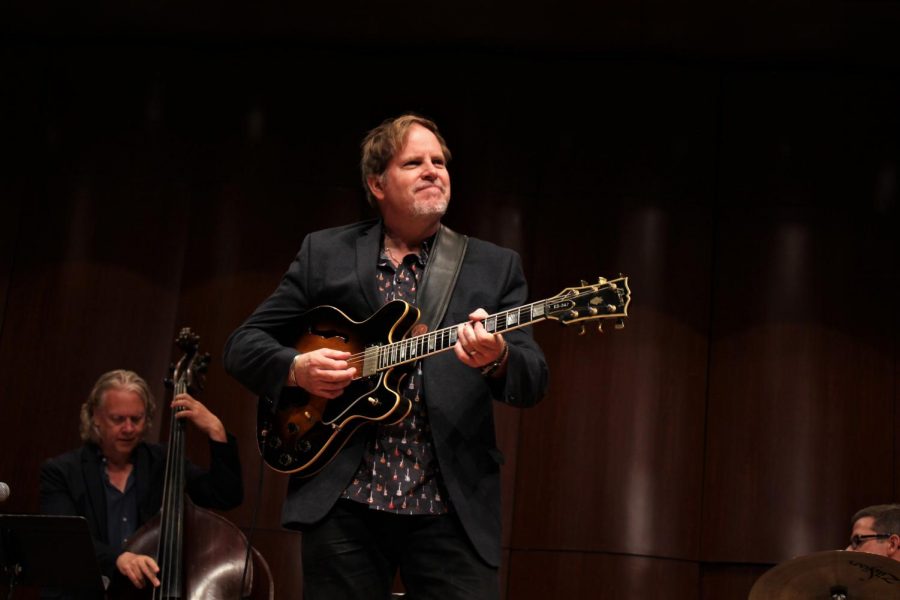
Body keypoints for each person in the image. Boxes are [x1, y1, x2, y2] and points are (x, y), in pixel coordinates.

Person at [223, 114, 549, 599]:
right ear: (377, 183)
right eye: (414, 162)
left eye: (439, 161)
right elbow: (243, 345)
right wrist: (297, 369)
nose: (433, 170)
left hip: (449, 507)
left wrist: (497, 357)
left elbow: (533, 376)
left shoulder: (492, 265)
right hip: (344, 502)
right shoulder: (325, 253)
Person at [40, 369, 244, 596]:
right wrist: (117, 558)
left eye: (136, 419)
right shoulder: (62, 471)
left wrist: (215, 430)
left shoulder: (164, 462)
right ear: (95, 416)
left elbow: (225, 495)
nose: (128, 429)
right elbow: (64, 539)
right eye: (118, 419)